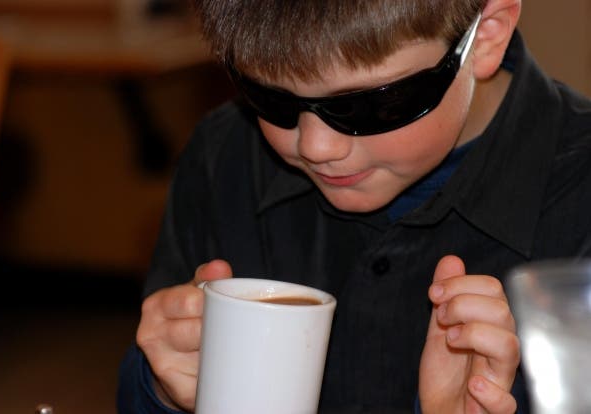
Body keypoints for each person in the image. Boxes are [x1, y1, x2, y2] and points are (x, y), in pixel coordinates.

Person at [117, 0, 591, 412]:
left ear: (486, 35)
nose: (317, 146)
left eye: (369, 105)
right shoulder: (222, 157)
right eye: (270, 98)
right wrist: (163, 388)